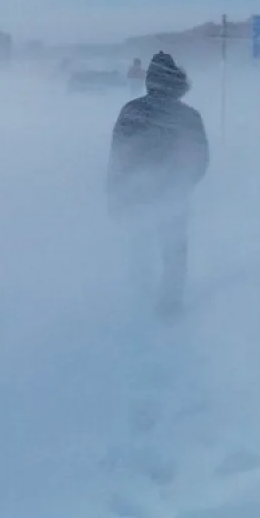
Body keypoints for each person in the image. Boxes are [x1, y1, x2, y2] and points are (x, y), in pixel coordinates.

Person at [106, 51, 209, 319]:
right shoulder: (189, 116)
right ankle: (169, 305)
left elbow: (119, 155)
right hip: (173, 193)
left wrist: (115, 192)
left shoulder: (131, 110)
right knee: (173, 249)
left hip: (136, 192)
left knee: (139, 243)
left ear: (149, 81)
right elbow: (201, 158)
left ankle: (140, 294)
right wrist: (184, 183)